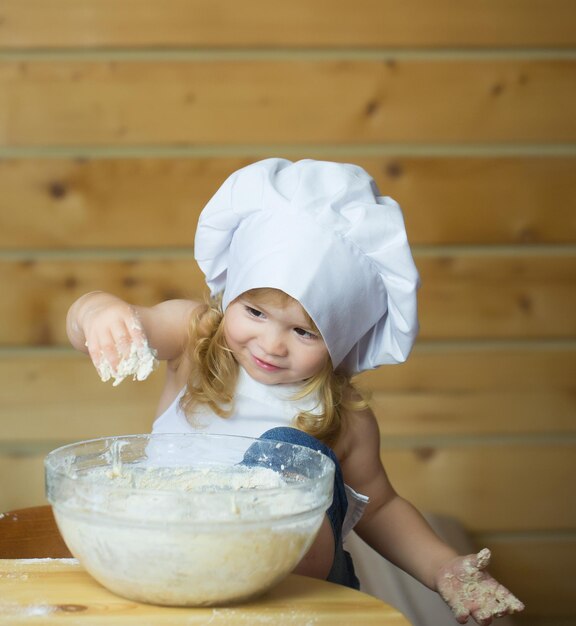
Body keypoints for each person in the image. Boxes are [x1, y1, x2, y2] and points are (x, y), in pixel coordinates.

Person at [66, 158, 524, 625]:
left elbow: (380, 506)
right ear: (233, 293)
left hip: (293, 594)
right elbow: (108, 322)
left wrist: (442, 568)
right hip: (175, 568)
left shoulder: (343, 413)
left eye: (305, 333)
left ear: (341, 340)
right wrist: (98, 312)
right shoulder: (195, 338)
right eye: (256, 312)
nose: (271, 344)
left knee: (284, 451)